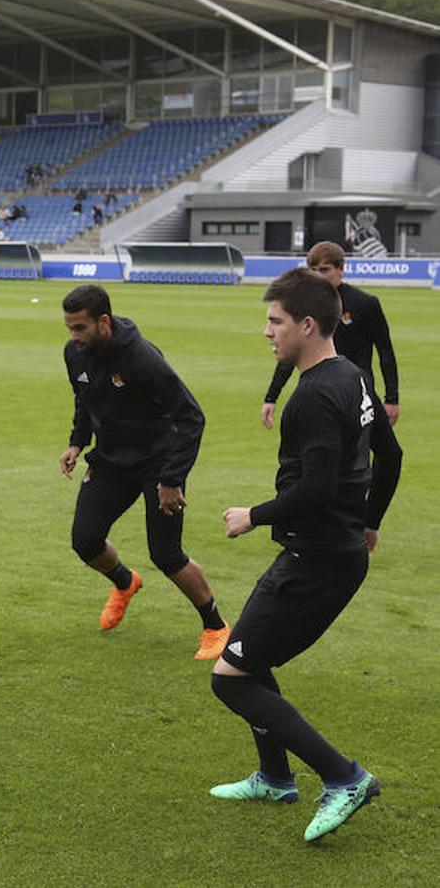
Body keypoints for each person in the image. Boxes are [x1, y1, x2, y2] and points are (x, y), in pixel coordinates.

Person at [212, 267, 387, 842]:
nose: (267, 332)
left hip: (316, 560)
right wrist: (368, 523)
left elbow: (312, 489)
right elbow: (394, 455)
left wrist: (251, 516)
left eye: (275, 321)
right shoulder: (353, 376)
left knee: (231, 679)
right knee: (251, 658)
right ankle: (274, 777)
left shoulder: (313, 395)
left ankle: (344, 777)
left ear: (307, 325)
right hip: (326, 550)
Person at [60, 285, 228, 658]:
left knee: (166, 554)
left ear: (103, 321)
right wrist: (76, 441)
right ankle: (124, 582)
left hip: (158, 462)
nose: (74, 337)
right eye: (69, 328)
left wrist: (171, 479)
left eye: (80, 328)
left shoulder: (141, 358)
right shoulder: (76, 354)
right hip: (111, 459)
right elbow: (84, 399)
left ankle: (216, 625)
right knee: (85, 541)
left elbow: (191, 417)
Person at [259, 242, 401, 552]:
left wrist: (391, 396)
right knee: (329, 469)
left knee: (343, 469)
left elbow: (385, 352)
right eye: (313, 269)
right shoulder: (305, 310)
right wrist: (272, 396)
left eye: (324, 269)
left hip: (356, 393)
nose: (319, 276)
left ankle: (344, 531)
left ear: (341, 268)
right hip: (326, 389)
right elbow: (291, 355)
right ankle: (342, 531)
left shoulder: (365, 304)